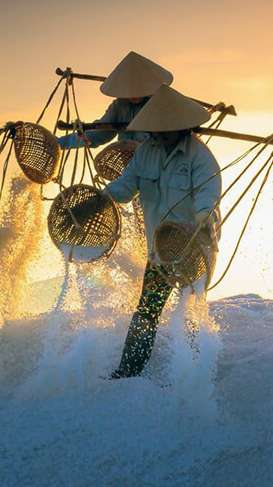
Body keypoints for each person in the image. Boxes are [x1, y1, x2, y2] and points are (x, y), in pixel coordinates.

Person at [101, 84, 221, 378]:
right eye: (155, 130)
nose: (158, 135)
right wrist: (102, 197)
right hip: (159, 252)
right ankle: (128, 372)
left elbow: (208, 197)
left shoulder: (200, 158)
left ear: (183, 127)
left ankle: (193, 375)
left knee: (190, 312)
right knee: (146, 312)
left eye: (165, 130)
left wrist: (202, 220)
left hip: (195, 248)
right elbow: (126, 185)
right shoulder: (146, 153)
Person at [58, 51, 173, 149]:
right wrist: (59, 144)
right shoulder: (119, 106)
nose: (133, 95)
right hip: (129, 165)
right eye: (128, 90)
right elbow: (98, 134)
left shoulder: (162, 104)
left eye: (137, 89)